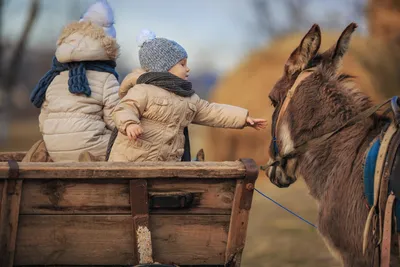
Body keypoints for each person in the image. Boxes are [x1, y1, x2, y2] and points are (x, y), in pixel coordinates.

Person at [108, 29, 267, 162]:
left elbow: (212, 111)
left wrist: (243, 118)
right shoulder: (143, 90)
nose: (188, 69)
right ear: (164, 68)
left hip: (165, 166)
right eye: (182, 64)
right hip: (131, 163)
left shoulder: (188, 98)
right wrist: (129, 124)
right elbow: (124, 108)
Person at [29, 0, 120, 162]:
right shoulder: (106, 78)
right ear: (108, 45)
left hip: (55, 149)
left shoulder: (55, 77)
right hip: (94, 147)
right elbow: (115, 120)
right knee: (130, 145)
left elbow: (44, 119)